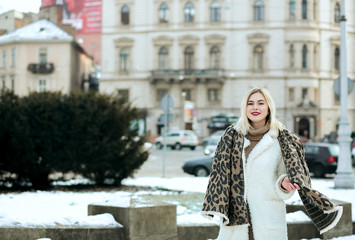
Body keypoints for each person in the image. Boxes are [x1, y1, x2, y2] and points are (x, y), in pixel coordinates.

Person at [201, 87, 343, 240]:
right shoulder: (231, 137)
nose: (255, 107)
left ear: (269, 107)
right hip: (234, 223)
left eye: (261, 103)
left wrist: (283, 183)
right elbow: (219, 176)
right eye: (251, 103)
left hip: (267, 220)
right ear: (245, 108)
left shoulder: (281, 140)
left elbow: (284, 176)